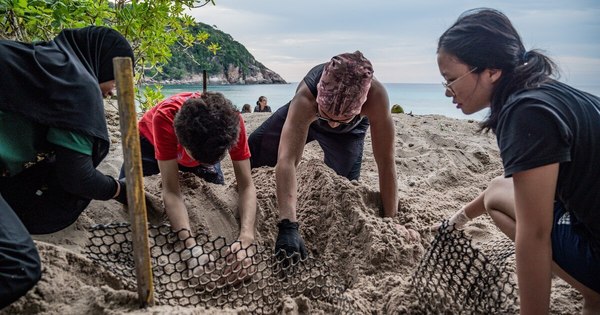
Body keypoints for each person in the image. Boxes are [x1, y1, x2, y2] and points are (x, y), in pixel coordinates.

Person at [437, 8, 600, 314]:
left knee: (505, 202)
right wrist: (458, 220)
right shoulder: (547, 92)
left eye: (451, 79)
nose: (448, 92)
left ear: (492, 71)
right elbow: (515, 186)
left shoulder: (525, 113)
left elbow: (534, 234)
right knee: (501, 189)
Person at [0, 26, 134, 308]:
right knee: (19, 266)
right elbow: (77, 177)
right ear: (106, 63)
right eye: (118, 81)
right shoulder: (79, 88)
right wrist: (119, 189)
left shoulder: (45, 61)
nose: (114, 92)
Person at [248, 51, 417, 260]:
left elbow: (385, 162)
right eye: (329, 117)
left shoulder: (377, 98)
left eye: (342, 118)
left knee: (343, 187)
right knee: (254, 148)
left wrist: (392, 220)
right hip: (309, 116)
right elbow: (287, 159)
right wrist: (288, 225)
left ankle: (338, 118)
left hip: (348, 134)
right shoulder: (306, 98)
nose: (333, 124)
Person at [120, 91, 257, 261]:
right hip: (148, 140)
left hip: (203, 143)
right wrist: (190, 247)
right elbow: (171, 190)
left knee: (216, 191)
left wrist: (247, 237)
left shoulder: (232, 124)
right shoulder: (165, 118)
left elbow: (247, 185)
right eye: (199, 160)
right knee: (126, 191)